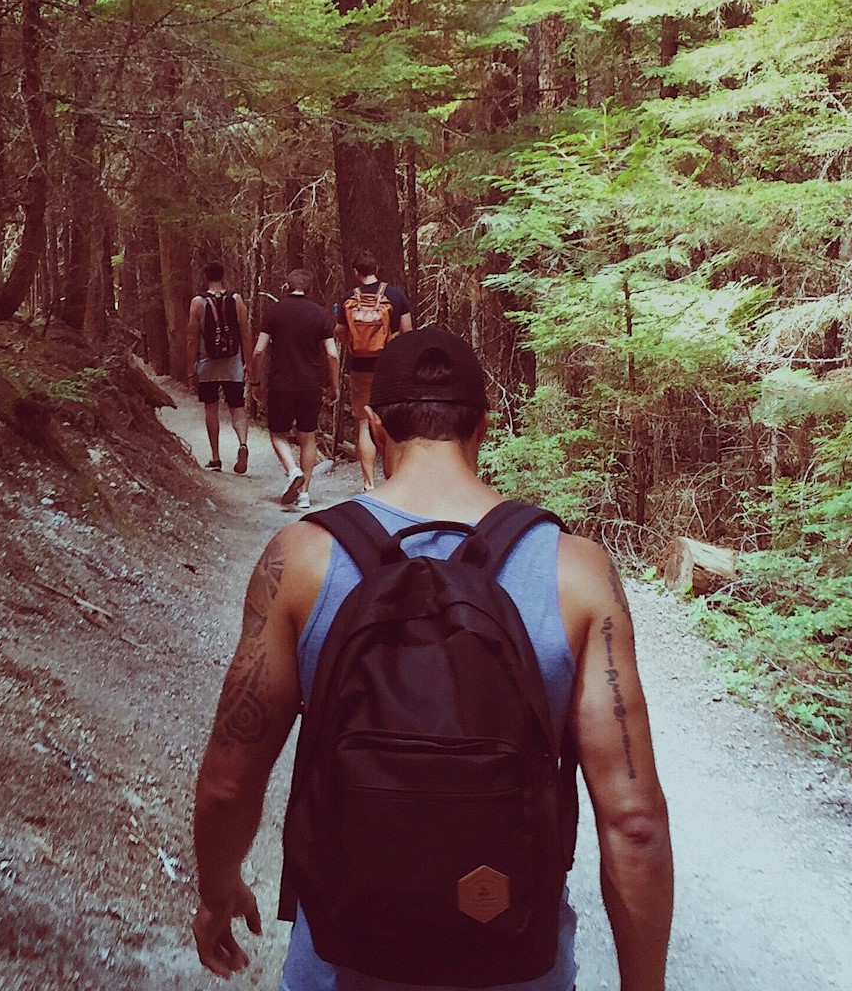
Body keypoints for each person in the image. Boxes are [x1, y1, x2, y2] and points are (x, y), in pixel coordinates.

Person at [190, 328, 674, 991]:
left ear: (372, 428)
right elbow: (635, 821)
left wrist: (218, 889)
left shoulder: (300, 559)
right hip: (513, 961)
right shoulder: (578, 572)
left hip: (346, 960)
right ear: (482, 427)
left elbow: (227, 780)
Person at [252, 268, 340, 512]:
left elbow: (259, 350)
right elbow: (332, 353)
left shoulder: (274, 312)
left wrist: (256, 382)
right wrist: (334, 385)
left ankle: (292, 471)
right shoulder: (321, 314)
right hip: (311, 384)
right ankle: (305, 495)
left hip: (281, 383)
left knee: (277, 434)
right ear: (309, 289)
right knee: (307, 436)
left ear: (286, 288)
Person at [333, 252, 413, 491]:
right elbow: (408, 331)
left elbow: (338, 330)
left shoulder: (349, 297)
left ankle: (368, 483)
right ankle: (393, 480)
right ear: (376, 268)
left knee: (364, 423)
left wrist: (352, 344)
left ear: (356, 272)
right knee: (390, 421)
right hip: (390, 367)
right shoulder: (396, 295)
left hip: (361, 366)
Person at [186, 262, 255, 474]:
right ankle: (242, 443)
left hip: (208, 363)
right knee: (237, 407)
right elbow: (245, 332)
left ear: (206, 276)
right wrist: (249, 363)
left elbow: (191, 337)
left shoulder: (198, 302)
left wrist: (191, 368)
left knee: (211, 408)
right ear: (223, 276)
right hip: (232, 362)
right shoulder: (236, 300)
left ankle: (215, 457)